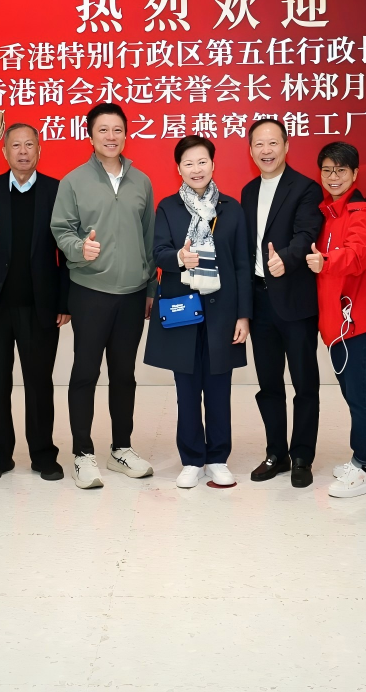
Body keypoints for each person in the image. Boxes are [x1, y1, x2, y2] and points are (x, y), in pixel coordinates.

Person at [49, 104, 158, 489]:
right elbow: (61, 230)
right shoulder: (73, 181)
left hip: (132, 294)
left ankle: (121, 449)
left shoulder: (141, 182)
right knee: (85, 373)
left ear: (126, 135)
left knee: (124, 375)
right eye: (103, 130)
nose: (111, 137)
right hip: (90, 292)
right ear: (90, 136)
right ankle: (82, 453)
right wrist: (80, 249)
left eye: (117, 130)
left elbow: (149, 239)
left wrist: (150, 287)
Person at [0, 122, 71, 482]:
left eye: (29, 145)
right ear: (4, 151)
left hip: (40, 306)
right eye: (15, 146)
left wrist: (65, 301)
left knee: (39, 384)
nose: (23, 152)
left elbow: (66, 250)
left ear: (39, 150)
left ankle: (43, 455)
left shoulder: (57, 190)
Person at [146, 136, 252, 489]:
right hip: (183, 311)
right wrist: (179, 257)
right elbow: (158, 252)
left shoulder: (231, 208)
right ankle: (192, 459)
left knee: (219, 389)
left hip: (223, 312)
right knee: (187, 390)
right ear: (178, 168)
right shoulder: (168, 207)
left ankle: (218, 457)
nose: (196, 169)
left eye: (202, 161)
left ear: (213, 164)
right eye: (188, 163)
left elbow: (242, 264)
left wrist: (243, 315)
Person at [240, 119, 324, 487]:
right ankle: (277, 453)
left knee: (305, 383)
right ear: (251, 150)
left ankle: (302, 455)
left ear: (286, 146)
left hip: (295, 299)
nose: (266, 150)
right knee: (268, 383)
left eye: (273, 143)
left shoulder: (305, 188)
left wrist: (285, 259)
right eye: (259, 144)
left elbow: (307, 233)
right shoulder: (248, 191)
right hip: (260, 301)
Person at [305, 142, 366, 499]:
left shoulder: (360, 213)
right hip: (337, 323)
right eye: (327, 170)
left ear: (355, 174)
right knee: (357, 393)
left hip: (358, 323)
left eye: (340, 170)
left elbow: (357, 256)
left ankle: (363, 466)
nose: (333, 176)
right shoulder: (328, 213)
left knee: (360, 395)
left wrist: (326, 261)